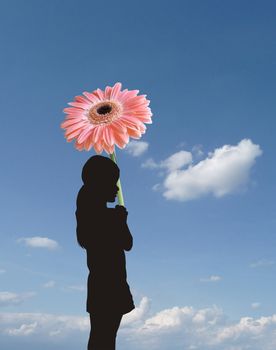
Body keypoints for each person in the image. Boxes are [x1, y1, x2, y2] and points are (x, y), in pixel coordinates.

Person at [75, 155, 135, 350]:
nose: (117, 188)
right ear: (101, 184)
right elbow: (128, 243)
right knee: (106, 338)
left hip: (98, 286)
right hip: (112, 284)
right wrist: (122, 221)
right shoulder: (110, 218)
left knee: (100, 337)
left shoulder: (87, 216)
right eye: (113, 182)